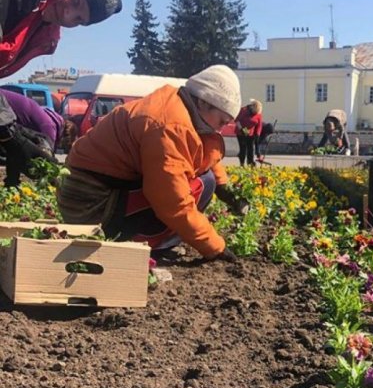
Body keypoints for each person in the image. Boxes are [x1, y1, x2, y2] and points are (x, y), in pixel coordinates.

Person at [57, 65, 248, 263]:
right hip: (89, 205)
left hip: (88, 190)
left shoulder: (177, 105)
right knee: (200, 185)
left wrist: (223, 186)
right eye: (222, 120)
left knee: (208, 180)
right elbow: (172, 201)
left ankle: (151, 245)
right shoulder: (170, 125)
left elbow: (200, 151)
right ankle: (141, 248)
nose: (224, 126)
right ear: (203, 101)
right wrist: (215, 247)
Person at [0, 88, 76, 186]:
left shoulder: (47, 116)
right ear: (63, 137)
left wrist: (12, 181)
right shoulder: (49, 126)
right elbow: (45, 155)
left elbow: (14, 149)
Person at [235, 99, 263, 166]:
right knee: (243, 148)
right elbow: (237, 120)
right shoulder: (243, 110)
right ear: (252, 107)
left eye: (256, 113)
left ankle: (250, 163)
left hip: (251, 133)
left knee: (251, 149)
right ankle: (242, 163)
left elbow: (259, 125)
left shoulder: (258, 114)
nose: (254, 114)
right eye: (254, 112)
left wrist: (257, 134)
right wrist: (243, 130)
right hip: (240, 132)